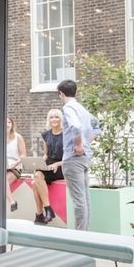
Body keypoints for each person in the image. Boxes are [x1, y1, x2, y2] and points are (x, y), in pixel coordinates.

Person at [57, 80, 100, 231]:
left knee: (78, 200)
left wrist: (78, 144)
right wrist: (86, 142)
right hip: (85, 158)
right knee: (85, 198)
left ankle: (80, 235)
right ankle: (85, 232)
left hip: (73, 159)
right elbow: (97, 125)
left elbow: (75, 126)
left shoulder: (68, 107)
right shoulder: (81, 108)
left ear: (61, 94)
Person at [33, 109, 64, 225]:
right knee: (37, 175)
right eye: (51, 117)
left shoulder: (66, 134)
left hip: (61, 165)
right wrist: (40, 162)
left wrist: (57, 164)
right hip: (49, 164)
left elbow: (69, 157)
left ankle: (40, 214)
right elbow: (46, 154)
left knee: (35, 183)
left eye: (56, 117)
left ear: (61, 119)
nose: (54, 120)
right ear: (48, 120)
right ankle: (47, 210)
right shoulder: (46, 134)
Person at [6, 117, 27, 212]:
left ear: (12, 124)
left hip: (15, 166)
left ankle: (12, 202)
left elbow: (23, 155)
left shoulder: (18, 137)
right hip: (3, 166)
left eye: (9, 122)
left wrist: (16, 163)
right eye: (5, 122)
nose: (7, 124)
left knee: (2, 180)